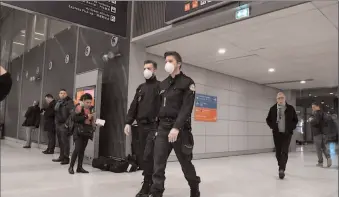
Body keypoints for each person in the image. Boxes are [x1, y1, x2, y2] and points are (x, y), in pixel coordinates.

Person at [150, 51, 200, 197]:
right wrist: (156, 128)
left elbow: (186, 108)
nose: (167, 64)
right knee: (158, 164)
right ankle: (156, 192)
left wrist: (176, 127)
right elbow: (159, 107)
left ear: (179, 64)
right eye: (166, 61)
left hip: (180, 130)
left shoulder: (187, 82)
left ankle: (194, 187)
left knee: (186, 164)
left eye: (170, 61)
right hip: (163, 129)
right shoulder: (163, 84)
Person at [124, 60, 160, 197]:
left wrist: (160, 126)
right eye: (144, 68)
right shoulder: (140, 88)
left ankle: (148, 183)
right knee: (142, 156)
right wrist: (128, 122)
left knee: (149, 155)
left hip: (153, 126)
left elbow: (163, 108)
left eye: (149, 68)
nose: (146, 71)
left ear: (154, 70)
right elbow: (134, 106)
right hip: (140, 127)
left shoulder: (160, 87)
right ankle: (149, 181)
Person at [266, 92, 298, 179]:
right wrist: (273, 127)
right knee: (278, 153)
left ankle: (281, 169)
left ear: (285, 99)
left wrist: (290, 128)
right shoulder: (272, 109)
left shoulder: (290, 108)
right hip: (277, 134)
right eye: (279, 98)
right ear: (276, 99)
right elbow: (268, 120)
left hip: (287, 134)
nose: (280, 99)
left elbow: (295, 120)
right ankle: (281, 164)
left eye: (282, 98)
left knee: (284, 151)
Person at [68, 93, 95, 174]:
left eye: (90, 102)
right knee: (77, 149)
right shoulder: (79, 107)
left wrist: (95, 122)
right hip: (78, 132)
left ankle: (79, 167)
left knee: (82, 150)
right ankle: (71, 167)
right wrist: (86, 117)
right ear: (83, 101)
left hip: (86, 132)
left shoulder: (91, 109)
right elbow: (74, 118)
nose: (89, 104)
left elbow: (91, 120)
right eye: (87, 102)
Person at [53, 89, 74, 165]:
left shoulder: (69, 102)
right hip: (58, 124)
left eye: (63, 93)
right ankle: (61, 156)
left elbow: (72, 114)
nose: (62, 94)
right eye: (60, 93)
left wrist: (67, 124)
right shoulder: (58, 102)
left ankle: (66, 158)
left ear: (66, 94)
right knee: (60, 142)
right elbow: (56, 113)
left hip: (64, 124)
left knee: (65, 142)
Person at [309, 102, 332, 167]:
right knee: (323, 146)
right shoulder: (324, 114)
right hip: (323, 133)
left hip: (317, 133)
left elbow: (316, 121)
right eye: (312, 107)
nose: (312, 109)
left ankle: (320, 162)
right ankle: (328, 157)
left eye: (314, 107)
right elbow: (327, 122)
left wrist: (311, 120)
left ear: (318, 107)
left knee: (318, 148)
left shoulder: (316, 113)